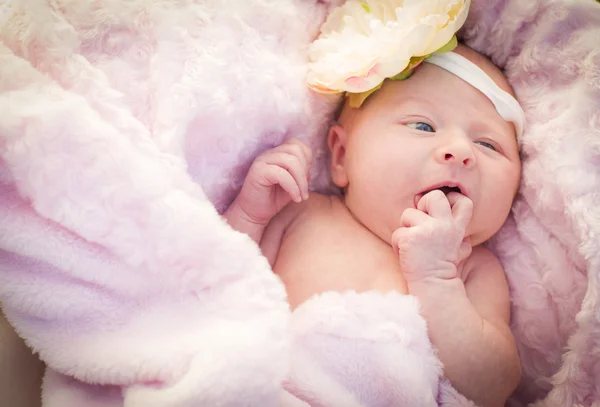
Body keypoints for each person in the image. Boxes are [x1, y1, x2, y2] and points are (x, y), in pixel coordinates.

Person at [224, 43, 522, 407]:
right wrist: (249, 215)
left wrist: (437, 279)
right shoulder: (301, 216)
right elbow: (214, 287)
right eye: (423, 125)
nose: (460, 151)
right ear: (341, 156)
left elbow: (492, 386)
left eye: (488, 145)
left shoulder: (471, 268)